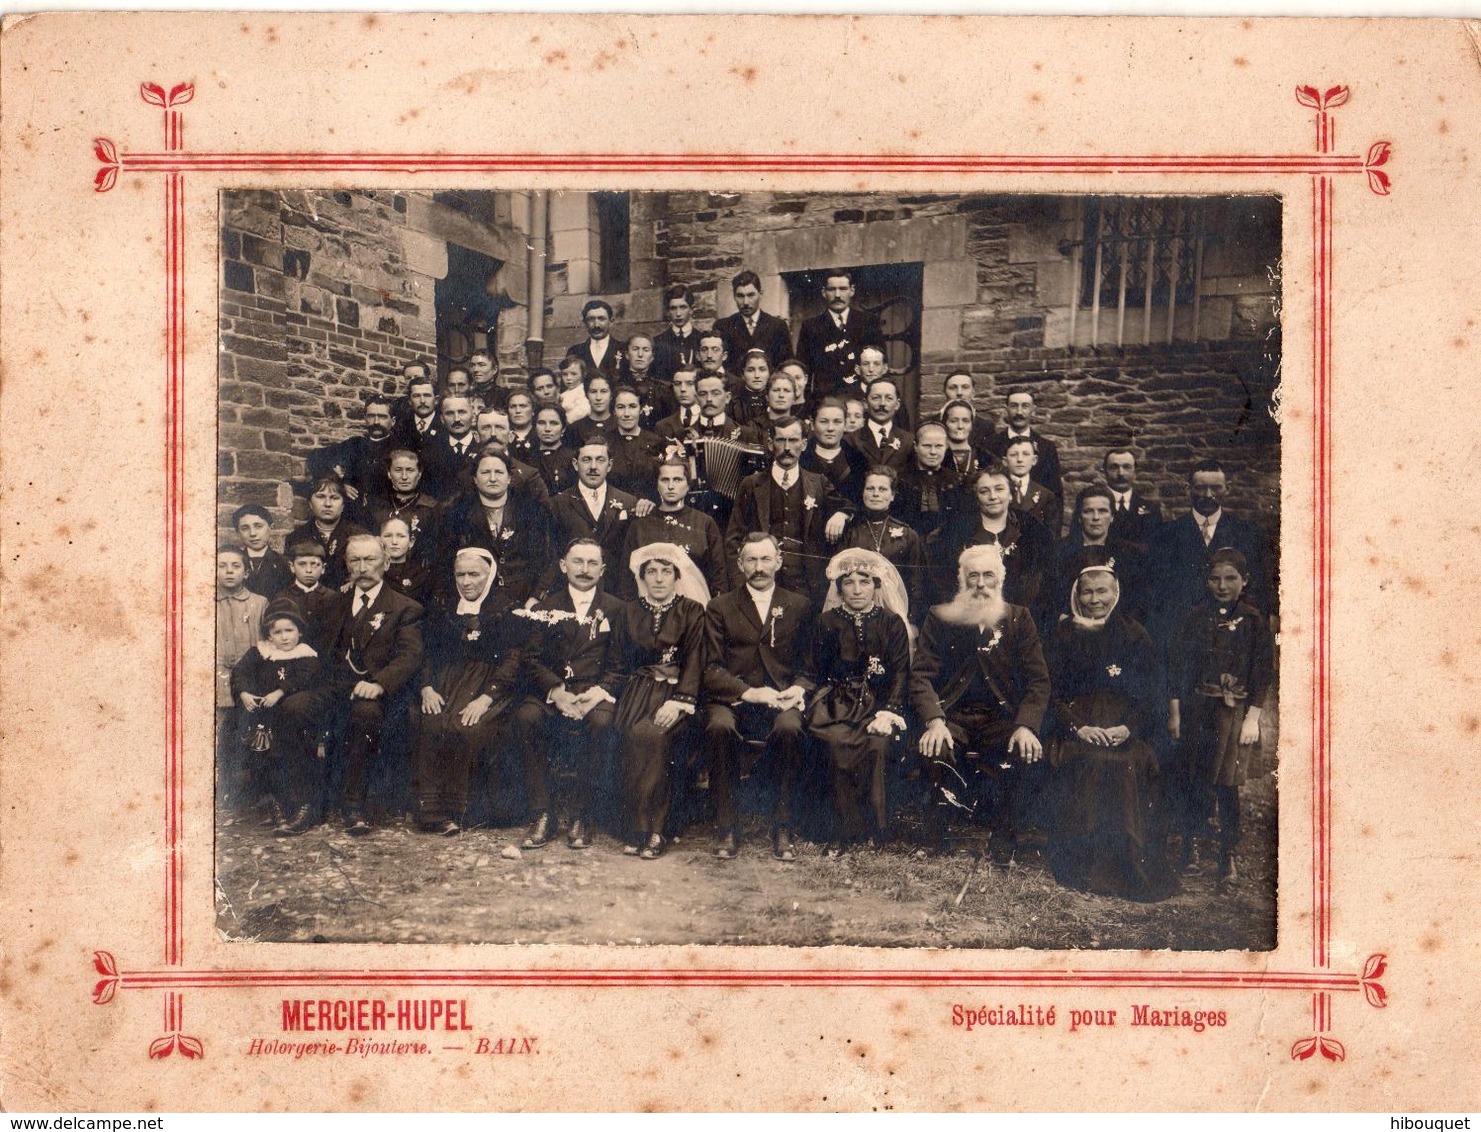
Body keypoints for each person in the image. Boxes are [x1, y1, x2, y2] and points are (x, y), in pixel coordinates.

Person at [1043, 556, 1175, 900]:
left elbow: (1152, 696)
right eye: (1086, 592)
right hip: (1077, 727)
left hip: (1122, 727)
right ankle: (1084, 867)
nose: (1094, 600)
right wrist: (1078, 728)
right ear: (1077, 595)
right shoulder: (1061, 635)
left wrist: (1128, 729)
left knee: (1125, 763)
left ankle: (1125, 865)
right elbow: (1048, 693)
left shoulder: (1135, 635)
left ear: (1116, 593)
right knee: (1089, 761)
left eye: (1102, 591)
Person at [275, 534, 425, 836]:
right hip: (335, 687)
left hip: (378, 692)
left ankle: (354, 806)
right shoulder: (334, 603)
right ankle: (307, 804)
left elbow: (409, 657)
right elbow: (320, 651)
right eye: (355, 560)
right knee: (294, 708)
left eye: (370, 560)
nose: (363, 567)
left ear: (385, 562)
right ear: (346, 565)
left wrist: (380, 683)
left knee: (365, 713)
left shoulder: (404, 607)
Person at [910, 544, 1051, 863]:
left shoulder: (1019, 618)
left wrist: (1026, 725)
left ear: (1001, 579)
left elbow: (1038, 680)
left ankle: (1003, 837)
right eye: (973, 576)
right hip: (952, 716)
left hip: (1001, 718)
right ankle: (936, 837)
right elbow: (921, 676)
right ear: (962, 580)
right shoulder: (940, 617)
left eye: (989, 575)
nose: (981, 584)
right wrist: (934, 720)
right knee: (936, 747)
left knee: (1022, 749)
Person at [703, 533, 816, 861]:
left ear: (779, 562)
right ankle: (726, 825)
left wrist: (798, 688)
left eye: (766, 559)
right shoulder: (720, 606)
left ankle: (782, 823)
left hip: (781, 697)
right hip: (735, 698)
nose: (759, 567)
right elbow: (710, 668)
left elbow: (810, 666)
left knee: (790, 729)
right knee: (719, 728)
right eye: (751, 560)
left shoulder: (799, 605)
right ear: (739, 564)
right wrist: (748, 692)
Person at [509, 538, 626, 851]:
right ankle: (542, 813)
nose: (584, 570)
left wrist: (597, 692)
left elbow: (620, 664)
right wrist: (556, 690)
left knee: (601, 724)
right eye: (577, 562)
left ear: (602, 570)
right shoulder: (547, 608)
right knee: (527, 717)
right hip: (556, 688)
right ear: (563, 566)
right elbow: (531, 658)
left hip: (594, 691)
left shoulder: (616, 608)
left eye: (591, 564)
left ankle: (581, 814)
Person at [1167, 547, 1272, 883]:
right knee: (1194, 778)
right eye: (1215, 578)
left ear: (1245, 580)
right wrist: (1176, 713)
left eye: (1230, 578)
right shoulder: (1194, 617)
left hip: (1234, 714)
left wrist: (1252, 718)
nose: (1222, 586)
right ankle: (1191, 844)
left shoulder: (1254, 622)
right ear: (1206, 580)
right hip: (1199, 709)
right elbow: (1179, 669)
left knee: (1227, 784)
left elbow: (1261, 672)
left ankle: (1228, 852)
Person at [607, 543, 709, 859]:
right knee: (630, 734)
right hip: (637, 692)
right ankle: (636, 825)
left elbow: (696, 659)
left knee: (654, 736)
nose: (659, 579)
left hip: (676, 694)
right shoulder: (628, 612)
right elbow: (617, 663)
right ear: (642, 577)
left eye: (666, 572)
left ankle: (656, 829)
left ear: (677, 576)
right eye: (652, 572)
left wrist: (680, 701)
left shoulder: (692, 611)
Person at [807, 550, 912, 853]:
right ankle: (842, 828)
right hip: (836, 703)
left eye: (863, 582)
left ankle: (875, 827)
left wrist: (889, 712)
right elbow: (814, 669)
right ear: (838, 588)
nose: (856, 589)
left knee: (877, 744)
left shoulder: (891, 623)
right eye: (848, 582)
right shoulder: (827, 621)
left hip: (877, 704)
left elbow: (901, 673)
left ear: (876, 586)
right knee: (835, 742)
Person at [412, 548, 521, 835]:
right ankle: (432, 811)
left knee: (466, 727)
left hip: (489, 684)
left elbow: (513, 659)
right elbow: (428, 652)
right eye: (460, 574)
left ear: (490, 575)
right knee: (432, 721)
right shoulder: (444, 605)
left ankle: (464, 811)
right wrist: (426, 687)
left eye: (474, 574)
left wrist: (486, 698)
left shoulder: (506, 607)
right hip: (447, 680)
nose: (467, 581)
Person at [725, 416, 850, 602]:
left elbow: (851, 504)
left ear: (804, 444)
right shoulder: (751, 484)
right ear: (769, 443)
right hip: (761, 583)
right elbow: (733, 539)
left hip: (807, 586)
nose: (787, 448)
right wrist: (739, 585)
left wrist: (842, 514)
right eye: (780, 440)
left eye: (793, 440)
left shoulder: (818, 483)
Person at [1149, 459, 1274, 644]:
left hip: (1233, 635)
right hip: (1180, 635)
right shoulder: (1166, 535)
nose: (1208, 495)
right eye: (1200, 488)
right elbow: (1158, 592)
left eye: (1216, 488)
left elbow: (1258, 585)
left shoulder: (1247, 534)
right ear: (1188, 488)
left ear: (1227, 488)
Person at [230, 599, 322, 832]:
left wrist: (280, 691)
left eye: (289, 631)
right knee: (264, 758)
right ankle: (273, 805)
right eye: (277, 632)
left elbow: (304, 679)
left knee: (290, 756)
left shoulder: (306, 655)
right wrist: (243, 693)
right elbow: (240, 672)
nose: (284, 637)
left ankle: (300, 806)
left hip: (291, 719)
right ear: (269, 636)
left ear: (299, 632)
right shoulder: (260, 653)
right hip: (263, 718)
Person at [927, 463, 1053, 613]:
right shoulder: (956, 533)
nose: (993, 497)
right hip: (970, 615)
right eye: (984, 491)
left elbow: (1042, 585)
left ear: (1011, 493)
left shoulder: (1032, 532)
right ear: (977, 496)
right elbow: (945, 582)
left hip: (1019, 617)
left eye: (999, 489)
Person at [436, 451, 549, 607]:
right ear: (475, 479)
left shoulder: (529, 510)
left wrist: (535, 597)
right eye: (485, 472)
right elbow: (445, 563)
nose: (493, 478)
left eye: (499, 472)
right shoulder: (458, 513)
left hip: (523, 598)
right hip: (477, 603)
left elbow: (546, 559)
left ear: (509, 478)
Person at [541, 437, 640, 599]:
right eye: (586, 460)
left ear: (609, 465)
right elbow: (551, 554)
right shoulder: (557, 504)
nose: (593, 467)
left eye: (600, 460)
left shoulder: (629, 502)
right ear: (575, 464)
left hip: (616, 594)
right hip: (571, 593)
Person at [622, 459, 727, 597]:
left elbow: (719, 576)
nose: (671, 486)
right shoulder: (640, 525)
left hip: (694, 609)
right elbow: (626, 580)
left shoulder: (704, 523)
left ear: (688, 484)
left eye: (677, 480)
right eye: (665, 480)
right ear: (657, 485)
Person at [216, 546, 269, 811]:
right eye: (222, 565)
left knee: (250, 733)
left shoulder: (258, 603)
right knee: (222, 734)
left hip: (250, 682)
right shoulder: (206, 601)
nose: (228, 571)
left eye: (235, 566)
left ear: (246, 572)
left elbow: (265, 644)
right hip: (218, 679)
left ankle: (253, 793)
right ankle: (223, 789)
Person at [839, 467, 926, 617]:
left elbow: (916, 582)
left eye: (882, 489)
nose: (876, 494)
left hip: (896, 612)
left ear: (892, 495)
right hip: (857, 611)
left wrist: (912, 620)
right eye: (870, 488)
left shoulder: (908, 534)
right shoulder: (850, 532)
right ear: (863, 493)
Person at [795, 270, 886, 401]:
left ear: (852, 290)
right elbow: (803, 370)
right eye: (832, 289)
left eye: (843, 289)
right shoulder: (811, 327)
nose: (837, 295)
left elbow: (881, 364)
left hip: (862, 400)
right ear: (823, 292)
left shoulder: (868, 322)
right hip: (825, 401)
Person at [306, 397, 398, 520]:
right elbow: (315, 458)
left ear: (392, 421)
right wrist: (337, 482)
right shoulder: (354, 444)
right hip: (352, 516)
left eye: (382, 417)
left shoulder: (400, 449)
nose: (376, 422)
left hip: (386, 516)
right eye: (371, 416)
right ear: (365, 419)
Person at [287, 475, 370, 592]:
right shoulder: (296, 537)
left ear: (343, 505)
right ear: (310, 503)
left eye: (334, 498)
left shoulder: (359, 535)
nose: (327, 504)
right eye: (321, 497)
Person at [987, 390, 1064, 503]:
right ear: (1006, 409)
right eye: (1014, 406)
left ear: (1033, 409)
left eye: (1025, 406)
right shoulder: (990, 445)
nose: (1019, 412)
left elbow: (1055, 493)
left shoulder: (1046, 448)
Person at [365, 449, 440, 563]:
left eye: (410, 470)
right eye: (398, 470)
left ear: (419, 474)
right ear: (389, 473)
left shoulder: (431, 508)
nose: (404, 477)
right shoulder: (376, 505)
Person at [714, 270, 794, 376]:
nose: (746, 302)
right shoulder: (723, 326)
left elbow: (786, 365)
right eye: (740, 296)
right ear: (734, 296)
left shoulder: (777, 326)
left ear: (760, 294)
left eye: (751, 295)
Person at [271, 539, 343, 656]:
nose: (309, 570)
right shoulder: (281, 597)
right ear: (292, 567)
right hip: (291, 658)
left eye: (315, 564)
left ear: (323, 568)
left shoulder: (333, 597)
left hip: (324, 658)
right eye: (302, 564)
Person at [895, 421, 966, 538]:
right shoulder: (901, 480)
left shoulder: (956, 481)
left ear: (946, 447)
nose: (933, 452)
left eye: (938, 446)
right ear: (916, 447)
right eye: (927, 446)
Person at [801, 396, 870, 507]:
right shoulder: (801, 458)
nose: (830, 428)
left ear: (844, 424)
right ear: (813, 425)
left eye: (837, 422)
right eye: (824, 422)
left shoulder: (858, 460)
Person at [606, 387, 668, 501]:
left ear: (640, 409)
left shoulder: (656, 442)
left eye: (632, 407)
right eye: (620, 407)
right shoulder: (606, 443)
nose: (626, 414)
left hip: (649, 507)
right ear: (614, 411)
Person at [418, 394, 482, 501]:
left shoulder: (481, 447)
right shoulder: (431, 450)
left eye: (462, 412)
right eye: (449, 413)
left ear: (473, 416)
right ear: (442, 419)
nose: (456, 419)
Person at [1002, 435, 1062, 545]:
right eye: (1013, 455)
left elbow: (1052, 535)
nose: (1020, 460)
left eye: (1026, 454)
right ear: (1005, 461)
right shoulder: (997, 492)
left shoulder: (1046, 496)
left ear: (1034, 460)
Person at [847, 376, 914, 472]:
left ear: (897, 405)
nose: (882, 403)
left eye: (889, 398)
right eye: (876, 398)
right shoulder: (850, 441)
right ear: (865, 403)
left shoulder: (908, 441)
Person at [1102, 447, 1163, 547]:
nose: (1121, 473)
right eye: (1114, 467)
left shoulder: (1151, 509)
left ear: (1135, 471)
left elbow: (1157, 548)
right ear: (1104, 471)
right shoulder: (1092, 507)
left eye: (1127, 467)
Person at [616, 333, 677, 428]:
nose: (640, 355)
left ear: (652, 357)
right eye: (635, 349)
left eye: (646, 350)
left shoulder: (663, 389)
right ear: (627, 355)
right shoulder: (616, 385)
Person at [233, 504, 293, 598]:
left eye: (258, 526)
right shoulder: (233, 563)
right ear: (238, 533)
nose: (252, 533)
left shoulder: (284, 564)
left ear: (271, 528)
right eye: (245, 528)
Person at [565, 298, 626, 379]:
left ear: (611, 322)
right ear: (585, 323)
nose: (596, 325)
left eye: (601, 319)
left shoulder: (623, 349)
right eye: (591, 319)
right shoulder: (575, 351)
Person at [379, 516, 432, 608]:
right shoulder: (373, 572)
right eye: (388, 536)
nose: (394, 542)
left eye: (401, 536)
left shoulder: (421, 574)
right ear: (380, 540)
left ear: (411, 542)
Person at [652, 284, 700, 382]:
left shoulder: (701, 339)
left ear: (692, 309)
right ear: (668, 312)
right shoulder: (658, 342)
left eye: (683, 307)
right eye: (673, 308)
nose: (678, 314)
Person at [530, 405, 578, 496]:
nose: (547, 429)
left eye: (554, 423)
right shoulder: (527, 457)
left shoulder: (573, 457)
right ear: (535, 427)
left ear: (563, 428)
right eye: (541, 423)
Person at [392, 373, 441, 451]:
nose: (422, 401)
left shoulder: (445, 425)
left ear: (436, 400)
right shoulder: (401, 426)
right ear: (409, 401)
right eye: (416, 396)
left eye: (427, 395)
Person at [729, 348, 772, 427]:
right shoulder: (733, 403)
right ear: (743, 374)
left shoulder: (774, 400)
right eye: (750, 370)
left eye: (762, 370)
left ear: (769, 373)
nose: (757, 375)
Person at [557, 354, 592, 424]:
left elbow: (584, 410)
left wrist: (565, 421)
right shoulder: (565, 393)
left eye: (574, 374)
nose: (568, 378)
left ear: (583, 375)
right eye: (565, 374)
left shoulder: (582, 392)